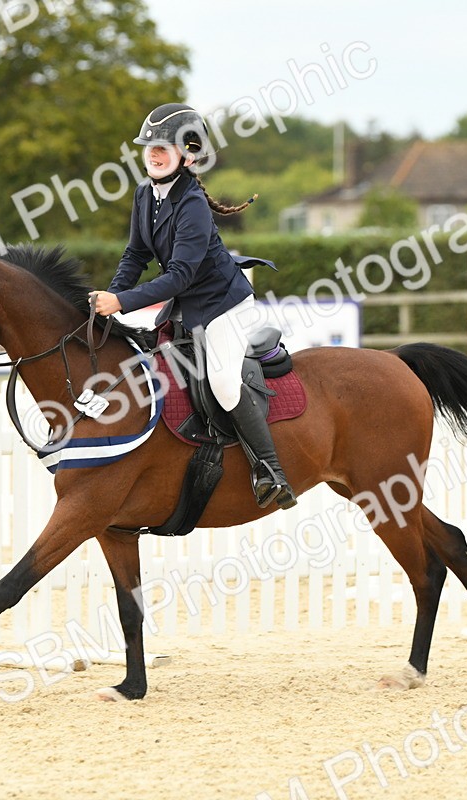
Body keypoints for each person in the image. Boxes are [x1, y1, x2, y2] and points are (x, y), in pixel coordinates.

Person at [89, 103, 295, 510]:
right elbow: (135, 254)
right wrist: (109, 300)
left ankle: (271, 472)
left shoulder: (192, 204)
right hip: (187, 306)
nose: (153, 153)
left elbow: (180, 275)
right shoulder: (145, 194)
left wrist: (123, 301)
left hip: (224, 305)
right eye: (149, 146)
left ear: (188, 155)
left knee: (221, 380)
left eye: (163, 147)